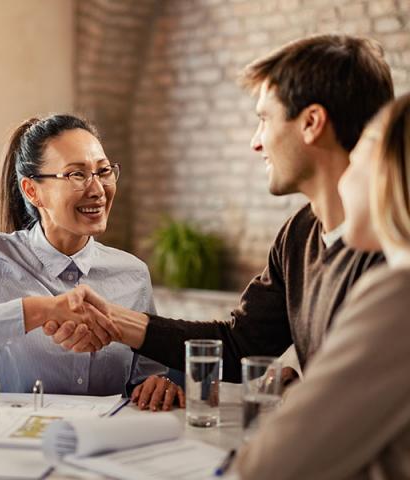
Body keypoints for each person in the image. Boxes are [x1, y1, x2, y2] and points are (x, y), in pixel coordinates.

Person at [43, 35, 394, 388]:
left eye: (264, 119)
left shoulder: (394, 248)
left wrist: (299, 394)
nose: (256, 141)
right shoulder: (298, 235)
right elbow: (240, 345)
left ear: (311, 122)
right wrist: (115, 320)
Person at [0, 114, 184, 409]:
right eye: (76, 174)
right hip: (14, 444)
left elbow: (148, 374)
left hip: (104, 445)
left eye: (103, 171)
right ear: (32, 190)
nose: (98, 189)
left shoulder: (133, 274)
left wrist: (160, 383)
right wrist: (37, 311)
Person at [233, 93, 410, 479]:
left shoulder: (399, 293)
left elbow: (269, 466)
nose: (344, 179)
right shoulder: (298, 235)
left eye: (358, 160)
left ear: (392, 174)